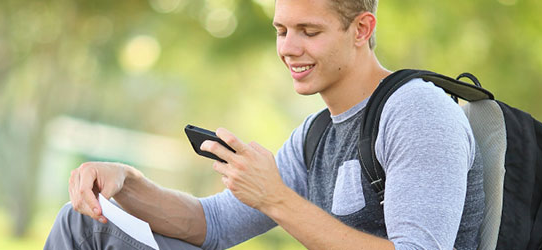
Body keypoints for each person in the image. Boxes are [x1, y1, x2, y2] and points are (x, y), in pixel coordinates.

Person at [45, 0, 482, 249]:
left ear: (361, 29)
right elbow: (212, 225)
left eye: (309, 32)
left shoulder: (417, 112)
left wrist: (275, 197)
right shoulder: (317, 135)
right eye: (281, 30)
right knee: (83, 224)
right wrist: (126, 182)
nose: (289, 48)